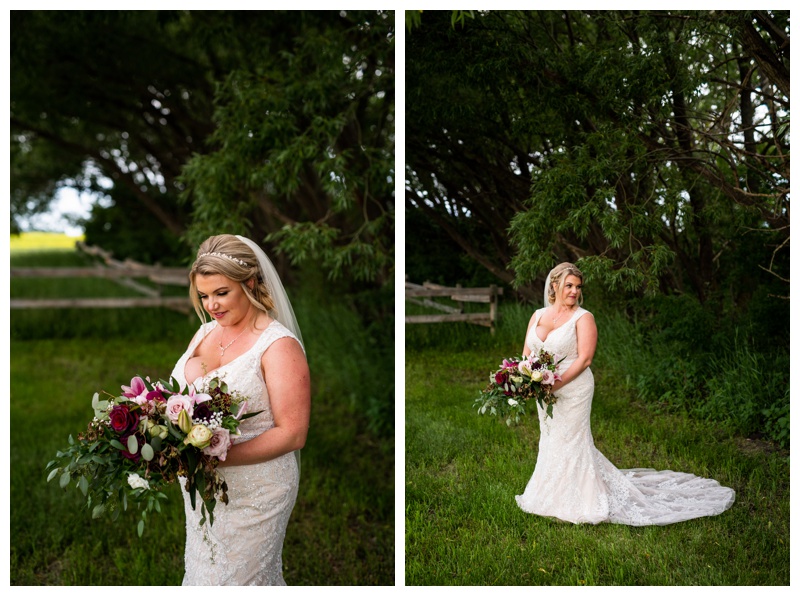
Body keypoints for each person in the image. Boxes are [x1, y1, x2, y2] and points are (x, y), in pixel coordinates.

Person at [515, 262, 735, 525]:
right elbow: (527, 354)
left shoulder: (584, 318)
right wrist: (527, 380)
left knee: (572, 440)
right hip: (544, 389)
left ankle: (580, 501)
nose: (574, 291)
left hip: (573, 388)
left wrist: (555, 385)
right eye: (569, 285)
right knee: (550, 438)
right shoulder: (538, 315)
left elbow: (584, 359)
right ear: (555, 285)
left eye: (578, 287)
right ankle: (547, 494)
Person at [169, 234, 310, 585]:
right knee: (202, 574)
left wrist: (213, 458)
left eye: (221, 293)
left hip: (258, 490)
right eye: (204, 295)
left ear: (248, 282)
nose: (211, 305)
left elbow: (293, 432)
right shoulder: (203, 333)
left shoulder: (277, 346)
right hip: (202, 488)